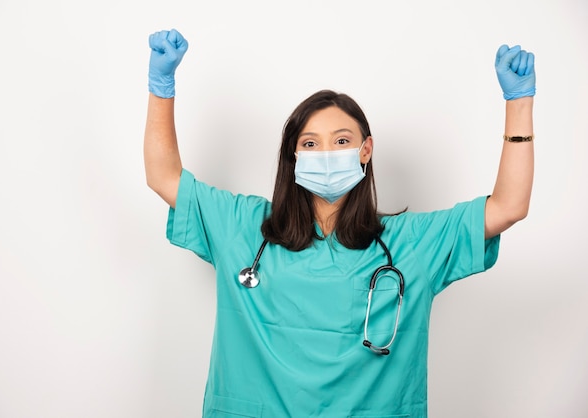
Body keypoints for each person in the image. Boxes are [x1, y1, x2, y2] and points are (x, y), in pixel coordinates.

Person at [144, 28, 535, 418]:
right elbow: (164, 177)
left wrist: (518, 103)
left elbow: (508, 207)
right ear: (293, 156)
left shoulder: (411, 243)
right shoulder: (243, 227)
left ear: (366, 150)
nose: (326, 153)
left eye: (342, 140)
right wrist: (161, 85)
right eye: (310, 144)